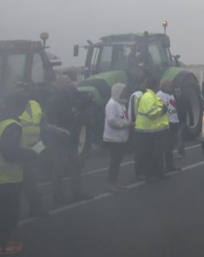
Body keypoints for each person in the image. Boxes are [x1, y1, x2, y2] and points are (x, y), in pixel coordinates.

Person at [0, 90, 40, 255]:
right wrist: (31, 153)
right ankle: (1, 244)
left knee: (1, 211)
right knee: (8, 213)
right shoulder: (11, 125)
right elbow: (10, 153)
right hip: (8, 177)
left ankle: (3, 240)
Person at [45, 75, 92, 205]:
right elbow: (57, 119)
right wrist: (73, 111)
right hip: (58, 138)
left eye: (70, 81)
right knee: (59, 167)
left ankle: (77, 193)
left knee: (76, 165)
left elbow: (87, 102)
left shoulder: (71, 95)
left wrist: (76, 107)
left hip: (70, 137)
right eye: (67, 82)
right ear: (59, 84)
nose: (70, 84)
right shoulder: (53, 100)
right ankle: (57, 196)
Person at [17, 91, 47, 218]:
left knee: (31, 181)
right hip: (19, 151)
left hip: (34, 149)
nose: (22, 89)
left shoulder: (35, 104)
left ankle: (36, 209)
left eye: (24, 87)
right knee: (27, 182)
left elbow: (43, 123)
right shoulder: (11, 108)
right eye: (20, 87)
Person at [134, 77, 169, 182]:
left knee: (155, 153)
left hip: (153, 130)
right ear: (155, 86)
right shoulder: (148, 97)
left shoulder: (152, 96)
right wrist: (162, 110)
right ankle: (147, 174)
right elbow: (151, 113)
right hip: (146, 131)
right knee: (147, 154)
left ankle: (157, 173)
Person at [103, 83, 133, 191]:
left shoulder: (121, 103)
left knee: (118, 161)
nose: (124, 93)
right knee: (114, 161)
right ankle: (111, 183)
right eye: (123, 91)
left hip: (121, 137)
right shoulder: (112, 104)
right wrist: (127, 124)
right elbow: (112, 122)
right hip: (114, 138)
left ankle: (115, 182)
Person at [157, 79, 179, 173]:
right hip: (167, 123)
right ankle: (165, 166)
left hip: (174, 122)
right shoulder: (159, 95)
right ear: (163, 85)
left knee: (170, 146)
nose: (171, 85)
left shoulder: (171, 95)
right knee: (165, 146)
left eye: (171, 83)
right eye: (168, 84)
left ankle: (170, 165)